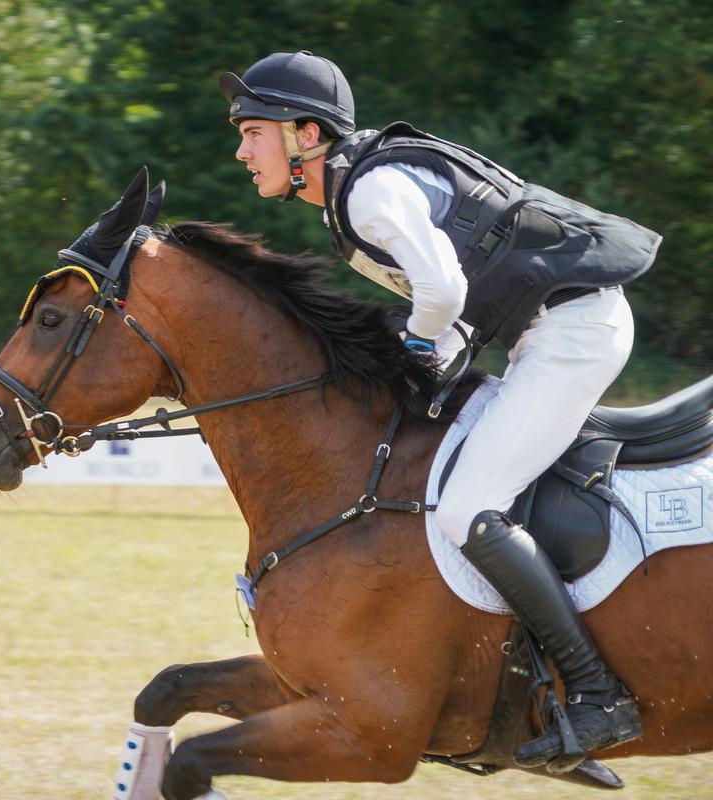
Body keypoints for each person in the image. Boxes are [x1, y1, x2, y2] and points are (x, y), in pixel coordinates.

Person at [219, 51, 658, 773]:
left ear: (305, 135)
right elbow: (453, 301)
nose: (241, 151)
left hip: (574, 333)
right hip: (545, 331)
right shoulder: (355, 192)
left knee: (467, 508)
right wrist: (427, 357)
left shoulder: (367, 195)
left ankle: (595, 693)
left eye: (253, 133)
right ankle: (526, 695)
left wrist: (422, 347)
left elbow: (445, 294)